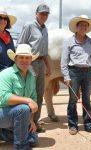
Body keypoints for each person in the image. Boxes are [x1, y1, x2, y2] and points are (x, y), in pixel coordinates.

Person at [61, 15, 91, 135]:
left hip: (88, 72)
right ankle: (72, 125)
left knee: (87, 99)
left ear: (87, 28)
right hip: (74, 72)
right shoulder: (69, 41)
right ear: (77, 27)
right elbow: (64, 60)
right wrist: (66, 76)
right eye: (81, 25)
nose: (83, 27)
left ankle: (89, 125)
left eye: (85, 25)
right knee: (73, 99)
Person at [17, 4, 51, 132]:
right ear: (36, 13)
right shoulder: (29, 26)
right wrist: (21, 64)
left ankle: (35, 123)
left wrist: (48, 66)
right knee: (28, 92)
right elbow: (20, 44)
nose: (44, 16)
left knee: (39, 93)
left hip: (41, 63)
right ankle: (24, 123)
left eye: (46, 14)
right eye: (42, 13)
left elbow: (45, 50)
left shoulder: (45, 29)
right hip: (29, 63)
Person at [0, 44, 39, 150]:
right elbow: (4, 97)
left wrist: (30, 120)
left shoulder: (31, 77)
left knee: (34, 140)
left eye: (27, 58)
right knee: (23, 108)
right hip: (2, 112)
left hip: (15, 116)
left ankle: (3, 133)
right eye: (21, 57)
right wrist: (27, 100)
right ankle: (21, 147)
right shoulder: (6, 74)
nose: (24, 60)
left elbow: (34, 98)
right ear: (15, 59)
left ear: (31, 60)